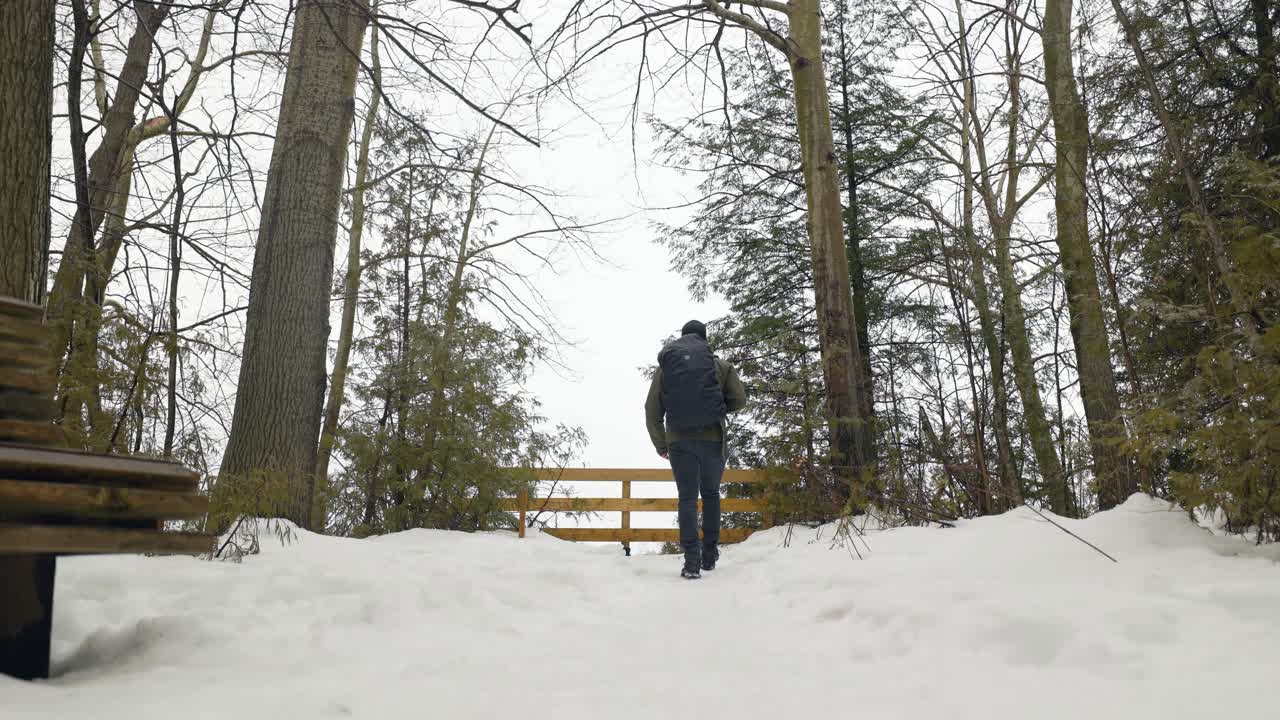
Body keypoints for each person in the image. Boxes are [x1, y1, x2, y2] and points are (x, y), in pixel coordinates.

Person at [645, 320, 747, 579]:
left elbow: (652, 410)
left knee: (687, 498)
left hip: (679, 442)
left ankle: (691, 562)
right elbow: (740, 400)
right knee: (711, 495)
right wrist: (718, 407)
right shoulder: (720, 366)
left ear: (683, 338)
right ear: (704, 338)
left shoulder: (666, 369)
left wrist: (661, 444)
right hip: (713, 440)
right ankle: (710, 556)